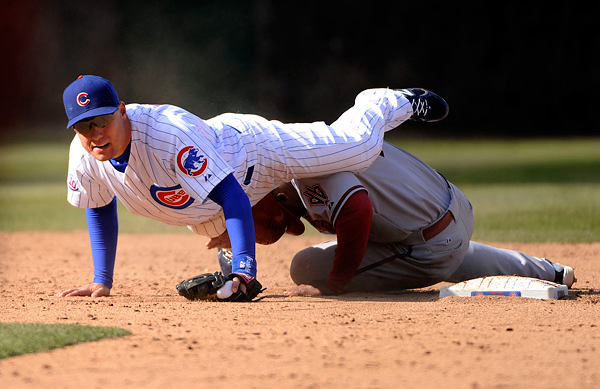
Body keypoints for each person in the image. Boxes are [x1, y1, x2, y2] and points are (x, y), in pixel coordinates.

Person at [56, 74, 449, 299]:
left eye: (101, 121)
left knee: (358, 149)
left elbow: (230, 193)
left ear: (121, 110)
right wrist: (101, 281)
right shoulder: (84, 150)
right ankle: (233, 257)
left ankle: (386, 101)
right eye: (83, 126)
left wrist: (246, 271)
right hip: (199, 203)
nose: (94, 134)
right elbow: (99, 203)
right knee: (252, 231)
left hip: (252, 152)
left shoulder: (167, 136)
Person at [208, 141, 576, 296]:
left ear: (279, 196)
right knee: (400, 237)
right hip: (454, 212)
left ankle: (435, 256)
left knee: (305, 267)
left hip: (429, 247)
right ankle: (549, 271)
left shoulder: (309, 177)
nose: (287, 227)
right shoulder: (316, 146)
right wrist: (238, 232)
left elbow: (357, 210)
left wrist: (335, 283)